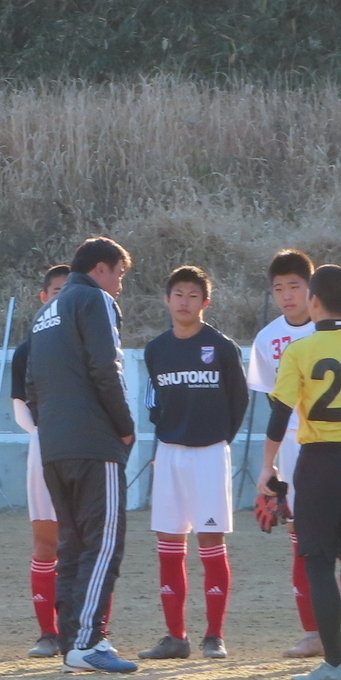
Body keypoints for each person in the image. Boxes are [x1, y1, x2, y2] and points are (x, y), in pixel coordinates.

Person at [25, 236, 138, 673]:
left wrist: (53, 429)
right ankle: (89, 640)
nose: (120, 288)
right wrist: (124, 428)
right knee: (103, 542)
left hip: (54, 445)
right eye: (120, 276)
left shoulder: (44, 313)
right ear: (101, 269)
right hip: (94, 444)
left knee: (72, 546)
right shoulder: (94, 301)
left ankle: (72, 640)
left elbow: (31, 384)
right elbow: (105, 368)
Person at [269, 264, 341, 680]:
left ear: (313, 301)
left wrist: (267, 467)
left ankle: (333, 662)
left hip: (316, 461)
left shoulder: (298, 351)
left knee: (317, 561)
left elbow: (280, 413)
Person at [248, 249, 341, 657]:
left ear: (312, 289)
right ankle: (313, 631)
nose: (286, 296)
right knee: (302, 540)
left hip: (336, 438)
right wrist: (272, 462)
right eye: (278, 288)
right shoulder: (267, 339)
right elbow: (273, 406)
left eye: (294, 286)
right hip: (294, 444)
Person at [141, 266, 248, 660]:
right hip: (169, 453)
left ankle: (214, 635)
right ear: (167, 299)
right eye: (178, 294)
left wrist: (219, 437)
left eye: (192, 295)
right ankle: (175, 636)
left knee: (210, 542)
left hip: (209, 454)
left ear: (205, 302)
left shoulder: (220, 346)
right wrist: (165, 438)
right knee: (169, 543)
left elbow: (239, 401)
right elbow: (153, 401)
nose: (184, 301)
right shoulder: (156, 349)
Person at [11, 265, 71, 656]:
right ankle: (48, 633)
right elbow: (19, 407)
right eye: (55, 291)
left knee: (86, 543)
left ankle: (89, 629)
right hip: (45, 448)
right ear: (43, 297)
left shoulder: (90, 339)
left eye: (70, 291)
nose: (61, 298)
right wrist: (46, 434)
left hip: (85, 449)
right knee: (45, 540)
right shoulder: (28, 348)